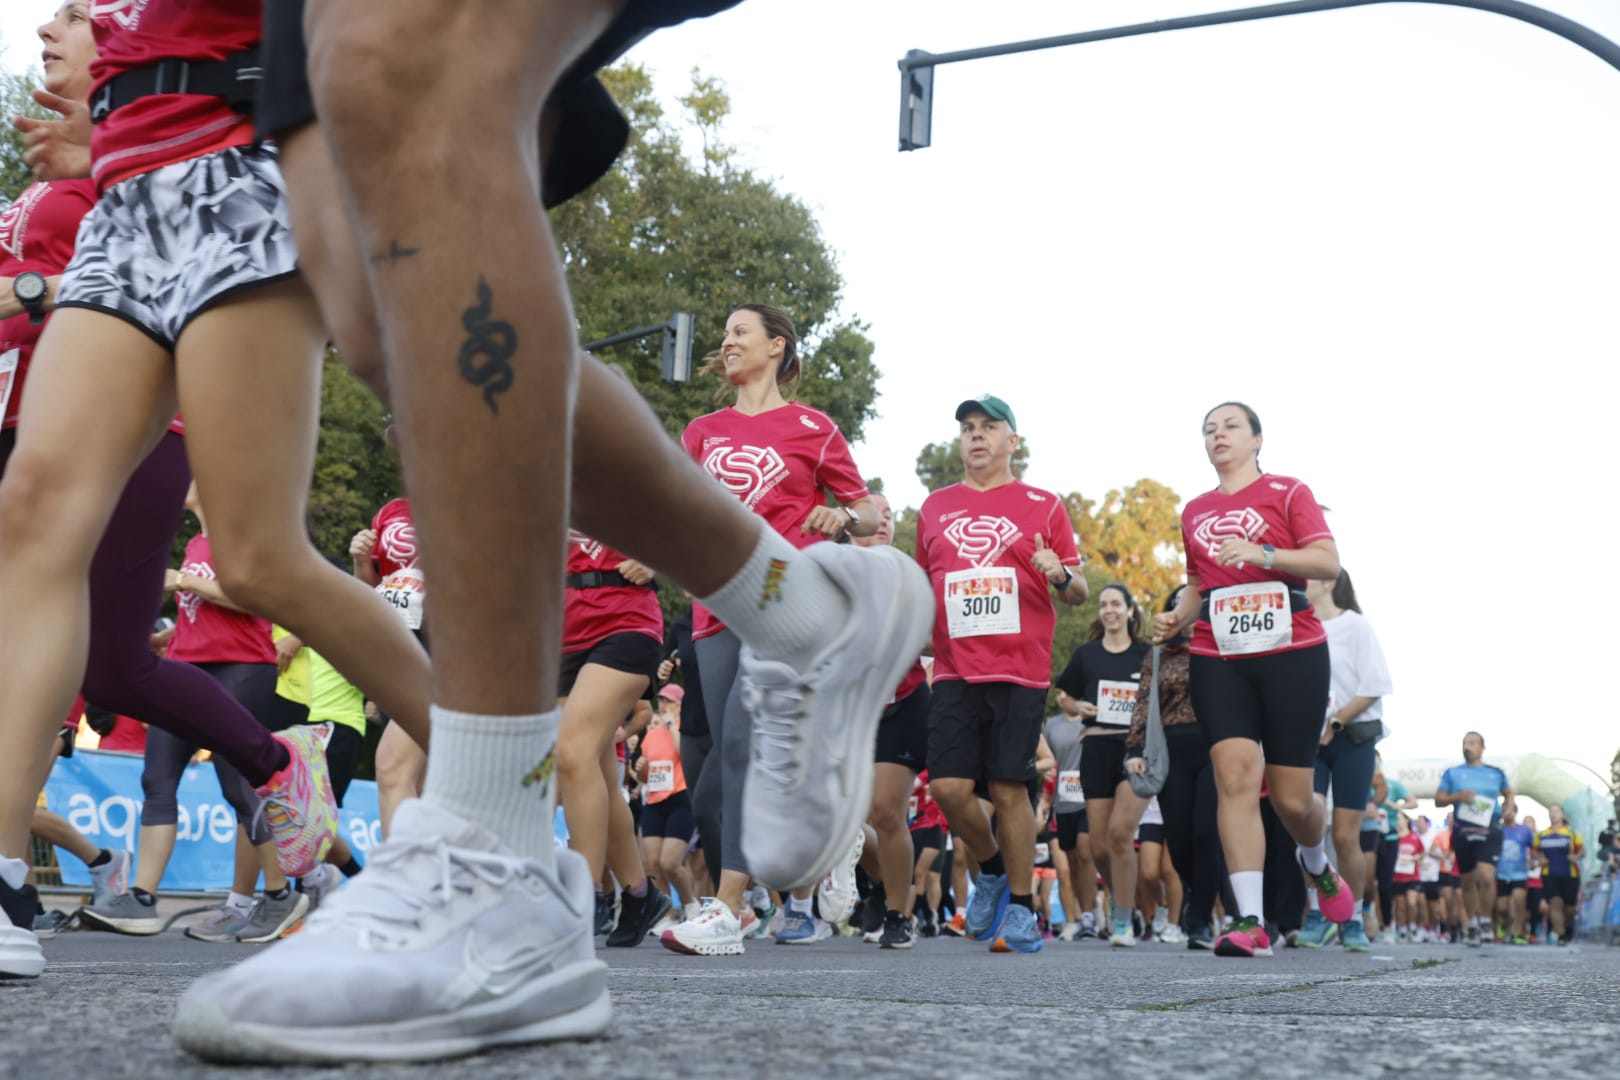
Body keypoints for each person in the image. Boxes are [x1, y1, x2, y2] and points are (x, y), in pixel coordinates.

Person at [176, 0, 934, 1060]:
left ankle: (499, 864)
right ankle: (813, 613)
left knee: (406, 61)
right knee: (385, 311)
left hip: (617, 625)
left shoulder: (807, 424)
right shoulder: (711, 422)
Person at [0, 0, 417, 980]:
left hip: (228, 199)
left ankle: (480, 778)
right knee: (51, 554)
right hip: (130, 217)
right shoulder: (74, 164)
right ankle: (9, 875)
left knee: (257, 561)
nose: (53, 26)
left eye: (72, 14)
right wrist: (105, 137)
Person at [660, 303, 885, 956]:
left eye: (741, 332)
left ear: (776, 346)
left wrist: (842, 520)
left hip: (783, 593)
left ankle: (727, 911)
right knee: (715, 788)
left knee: (738, 735)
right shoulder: (702, 431)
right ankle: (829, 829)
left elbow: (867, 508)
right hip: (714, 604)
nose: (727, 342)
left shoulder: (812, 428)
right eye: (725, 334)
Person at [1152, 402, 1350, 959]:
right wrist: (1179, 615)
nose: (1218, 436)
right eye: (1208, 430)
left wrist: (1263, 552)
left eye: (1230, 426)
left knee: (1291, 800)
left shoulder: (1289, 493)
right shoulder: (1194, 510)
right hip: (1220, 652)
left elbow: (1327, 564)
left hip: (1292, 650)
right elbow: (1197, 582)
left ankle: (1315, 860)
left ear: (1258, 439)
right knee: (1234, 775)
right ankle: (1250, 921)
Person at [919, 395, 1088, 955]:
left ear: (1012, 441)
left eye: (989, 427)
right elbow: (923, 591)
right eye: (967, 428)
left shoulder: (1043, 505)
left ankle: (1020, 908)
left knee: (1009, 786)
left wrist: (1058, 571)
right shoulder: (934, 507)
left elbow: (1079, 591)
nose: (976, 436)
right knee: (946, 786)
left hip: (1019, 669)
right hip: (952, 668)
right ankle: (990, 867)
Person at [556, 529, 669, 948]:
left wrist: (660, 558)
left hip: (626, 620)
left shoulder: (631, 465)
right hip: (564, 631)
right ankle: (640, 895)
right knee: (596, 775)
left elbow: (691, 521)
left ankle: (581, 903)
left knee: (571, 754)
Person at [851, 492, 933, 951]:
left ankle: (900, 913)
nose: (882, 520)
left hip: (902, 702)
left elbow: (936, 639)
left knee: (886, 810)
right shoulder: (829, 569)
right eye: (872, 512)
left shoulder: (909, 575)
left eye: (889, 515)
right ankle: (883, 885)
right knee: (849, 822)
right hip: (850, 711)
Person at [1296, 569, 1390, 952]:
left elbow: (1374, 686)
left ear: (1328, 583)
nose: (1301, 581)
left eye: (1309, 576)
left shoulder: (1356, 627)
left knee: (1345, 835)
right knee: (1307, 827)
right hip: (1308, 740)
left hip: (1352, 737)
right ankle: (1319, 911)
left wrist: (1335, 723)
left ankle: (1352, 918)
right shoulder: (1297, 627)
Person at [1126, 586, 1221, 950]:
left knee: (1205, 834)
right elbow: (1143, 700)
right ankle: (1198, 895)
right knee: (1179, 840)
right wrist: (1134, 748)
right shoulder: (1157, 654)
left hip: (1215, 748)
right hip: (1170, 751)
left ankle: (1199, 920)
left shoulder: (1218, 647)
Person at [1055, 584, 1148, 946]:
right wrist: (1077, 709)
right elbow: (1065, 696)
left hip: (1135, 751)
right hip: (1095, 747)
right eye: (1103, 605)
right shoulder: (1086, 655)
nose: (1109, 610)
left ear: (1129, 610)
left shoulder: (1146, 654)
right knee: (1097, 847)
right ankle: (1129, 901)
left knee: (1120, 835)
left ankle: (1122, 921)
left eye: (1115, 604)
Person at [1435, 732, 1513, 946]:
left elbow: (1508, 792)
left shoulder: (1495, 773)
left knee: (1487, 876)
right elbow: (1438, 800)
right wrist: (1457, 797)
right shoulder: (1453, 773)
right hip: (1464, 830)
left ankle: (1486, 920)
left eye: (1472, 743)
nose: (1467, 747)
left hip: (1490, 829)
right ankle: (1471, 924)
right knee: (1468, 879)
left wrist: (1508, 808)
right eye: (1464, 744)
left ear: (1482, 748)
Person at [1044, 689, 1098, 941]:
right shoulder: (1051, 726)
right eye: (1061, 694)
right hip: (1062, 801)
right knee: (1070, 863)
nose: (1064, 698)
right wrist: (1044, 799)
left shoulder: (1094, 720)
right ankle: (1073, 918)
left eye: (1069, 693)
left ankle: (1088, 915)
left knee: (1085, 851)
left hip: (1089, 797)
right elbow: (1046, 762)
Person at [1534, 805, 1583, 945]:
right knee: (1555, 903)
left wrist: (1576, 856)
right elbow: (1534, 851)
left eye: (1556, 811)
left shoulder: (1572, 833)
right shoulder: (1542, 835)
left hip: (1570, 874)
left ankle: (1567, 927)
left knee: (1570, 908)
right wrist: (1540, 858)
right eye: (1550, 812)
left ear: (1562, 814)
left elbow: (1582, 851)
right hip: (1549, 873)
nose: (1553, 814)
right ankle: (1561, 935)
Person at [1495, 801, 1532, 944]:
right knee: (1502, 907)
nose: (1507, 813)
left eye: (1509, 810)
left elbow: (1534, 847)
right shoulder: (1497, 830)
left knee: (1519, 901)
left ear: (1515, 812)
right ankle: (1504, 924)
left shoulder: (1524, 831)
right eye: (1504, 810)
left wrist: (1535, 859)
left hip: (1520, 873)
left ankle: (1517, 933)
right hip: (1501, 873)